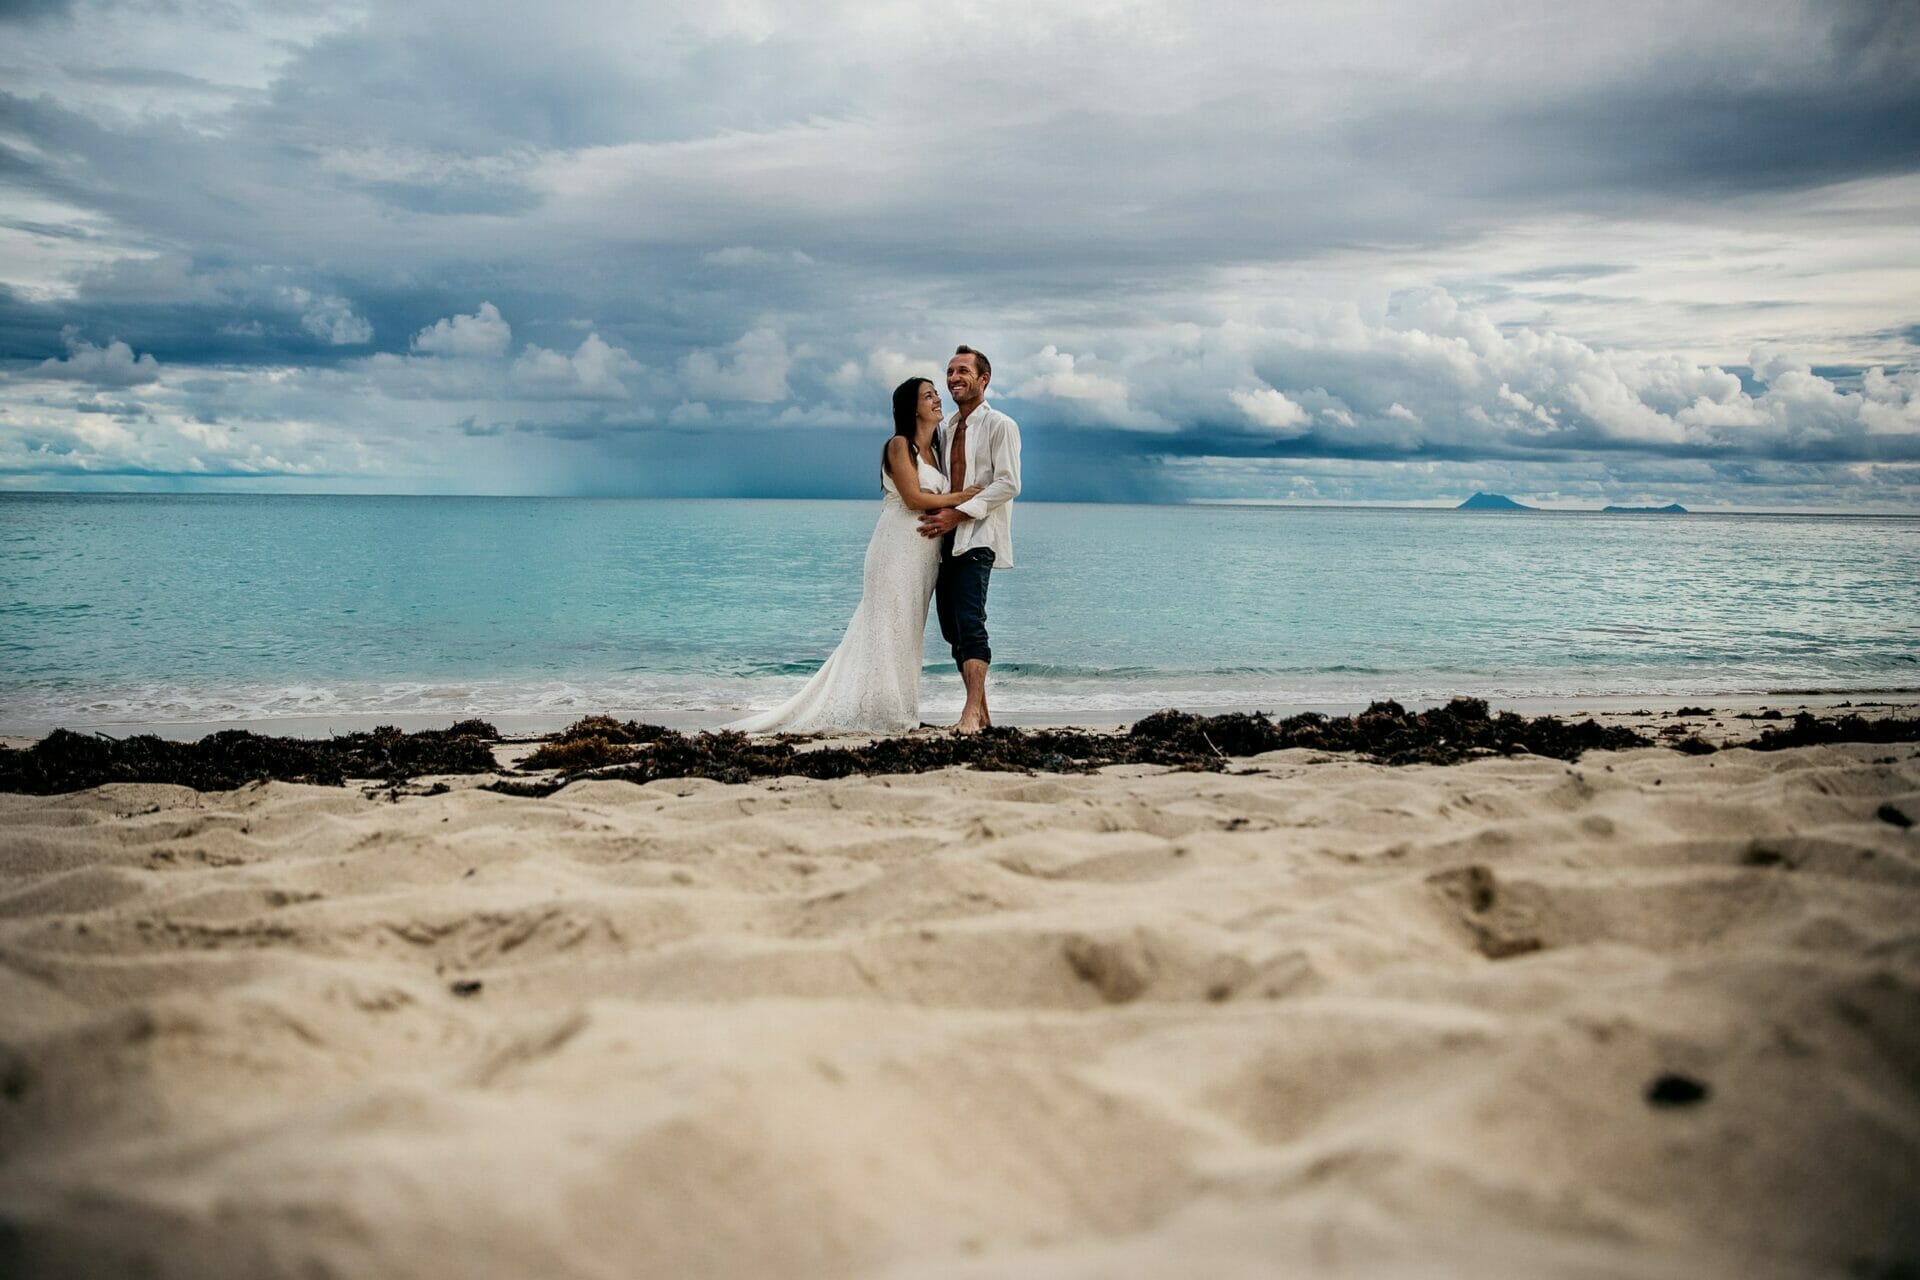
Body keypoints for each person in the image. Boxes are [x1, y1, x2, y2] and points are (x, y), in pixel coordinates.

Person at [726, 377, 980, 735]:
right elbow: (913, 499)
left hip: (924, 557)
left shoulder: (935, 452)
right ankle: (885, 713)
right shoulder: (898, 445)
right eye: (929, 395)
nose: (938, 399)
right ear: (912, 408)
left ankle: (897, 708)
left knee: (907, 632)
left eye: (937, 393)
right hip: (895, 549)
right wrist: (960, 497)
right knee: (883, 628)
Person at [916, 346, 1022, 733]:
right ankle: (982, 714)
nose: (953, 378)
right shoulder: (944, 430)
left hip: (977, 536)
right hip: (944, 542)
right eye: (949, 372)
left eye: (962, 371)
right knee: (952, 629)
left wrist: (956, 514)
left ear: (983, 379)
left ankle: (969, 713)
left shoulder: (1000, 425)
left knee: (971, 624)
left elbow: (1008, 483)